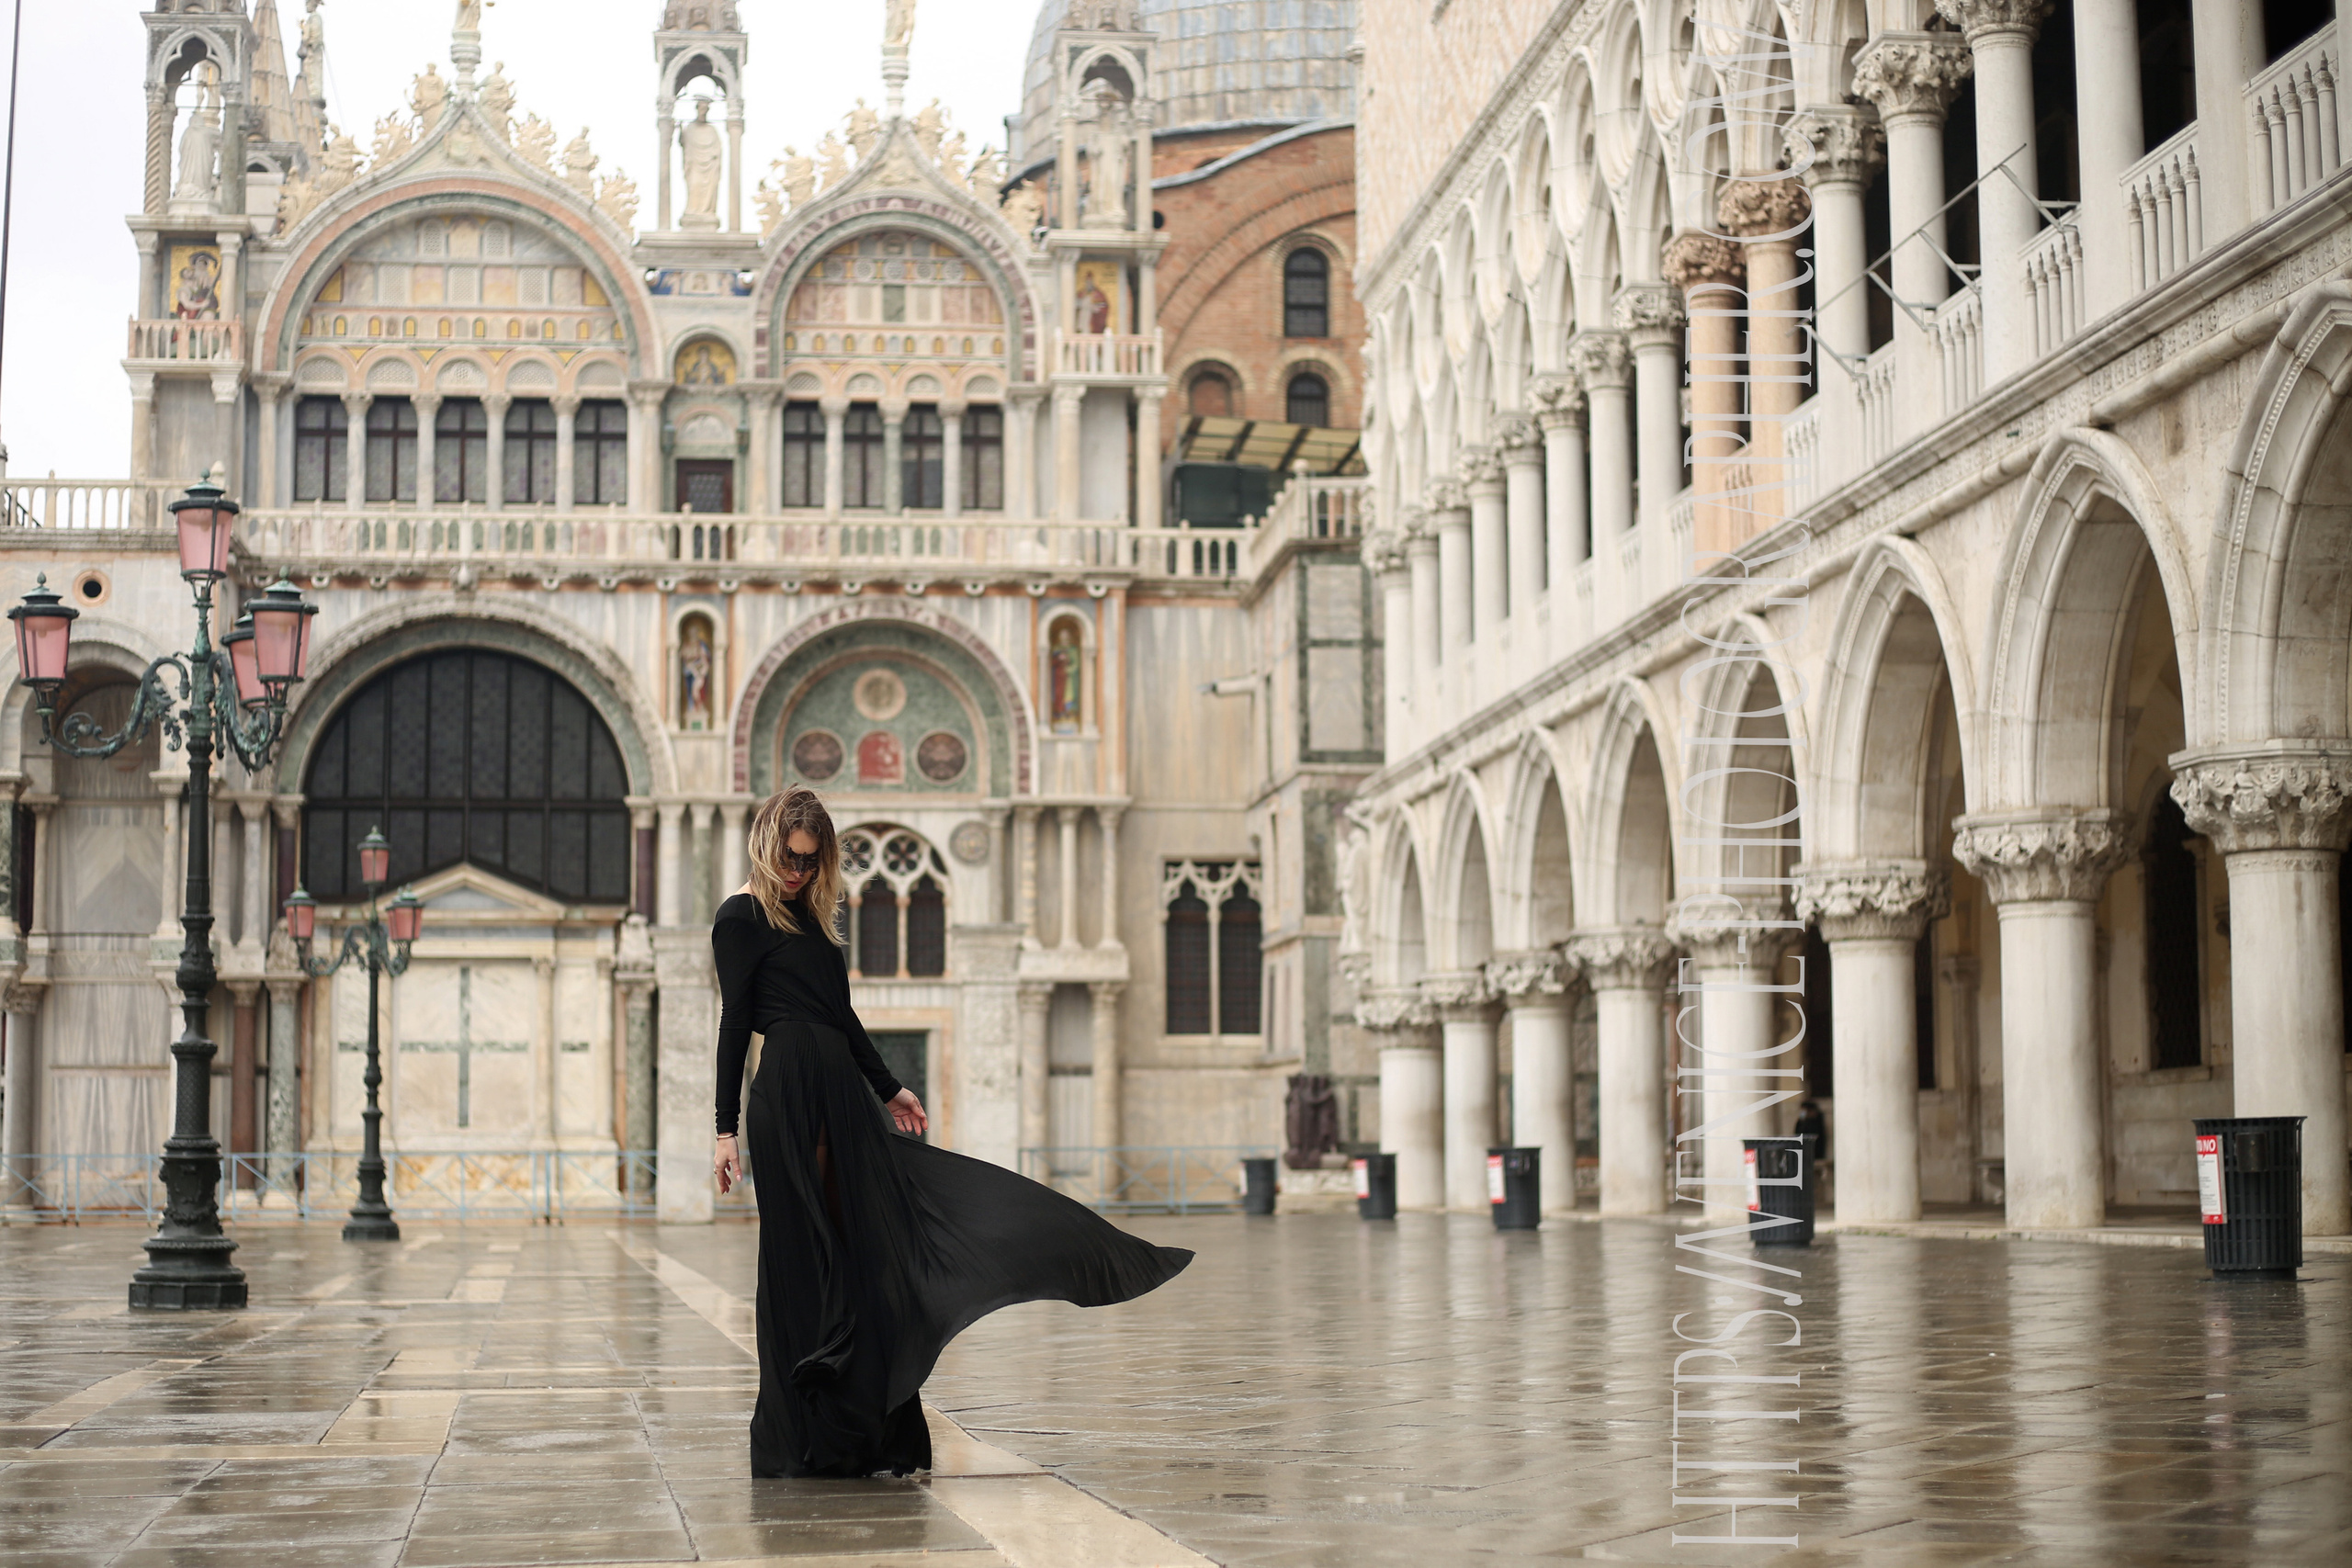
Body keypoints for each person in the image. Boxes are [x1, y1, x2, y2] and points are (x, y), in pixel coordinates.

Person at [712, 786, 1191, 1478]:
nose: (799, 872)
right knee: (801, 1258)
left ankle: (864, 1430)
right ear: (766, 842)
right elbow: (734, 1023)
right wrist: (723, 1129)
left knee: (866, 1248)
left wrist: (890, 1087)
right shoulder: (741, 916)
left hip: (842, 1095)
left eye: (812, 862)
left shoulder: (814, 919)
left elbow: (842, 1019)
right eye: (791, 857)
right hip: (785, 1093)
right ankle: (803, 1435)